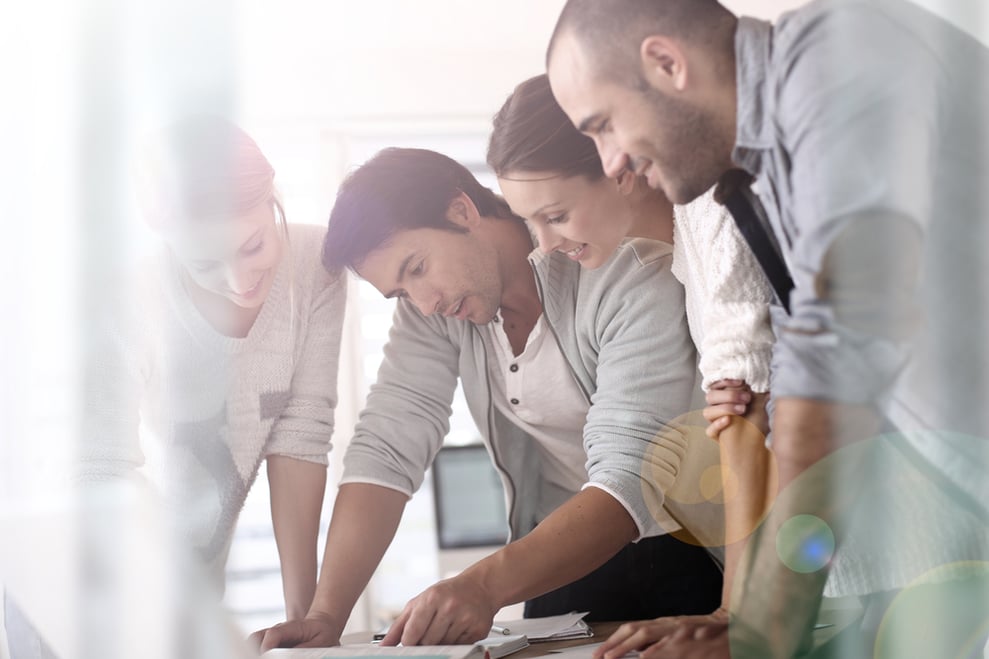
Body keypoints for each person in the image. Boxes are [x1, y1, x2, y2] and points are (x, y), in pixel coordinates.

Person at [546, 0, 989, 657]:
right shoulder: (760, 177)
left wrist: (765, 627)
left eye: (602, 125)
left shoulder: (838, 51)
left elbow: (841, 338)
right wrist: (747, 611)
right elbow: (802, 414)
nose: (609, 162)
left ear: (667, 63)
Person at [252, 147, 724, 651]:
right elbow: (387, 447)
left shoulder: (624, 270)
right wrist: (327, 614)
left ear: (462, 211)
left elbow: (632, 476)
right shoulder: (435, 312)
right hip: (557, 558)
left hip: (690, 547)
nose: (425, 301)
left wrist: (480, 585)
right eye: (401, 292)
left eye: (417, 267)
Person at [486, 72, 777, 621]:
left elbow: (746, 423)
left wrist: (733, 618)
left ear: (614, 163)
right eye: (531, 223)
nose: (544, 246)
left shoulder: (712, 212)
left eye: (555, 216)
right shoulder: (681, 251)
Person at [77, 116, 346, 619]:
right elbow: (98, 467)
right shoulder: (125, 300)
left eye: (253, 247)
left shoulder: (316, 264)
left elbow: (300, 437)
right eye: (203, 265)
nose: (239, 281)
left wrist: (306, 623)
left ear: (273, 198)